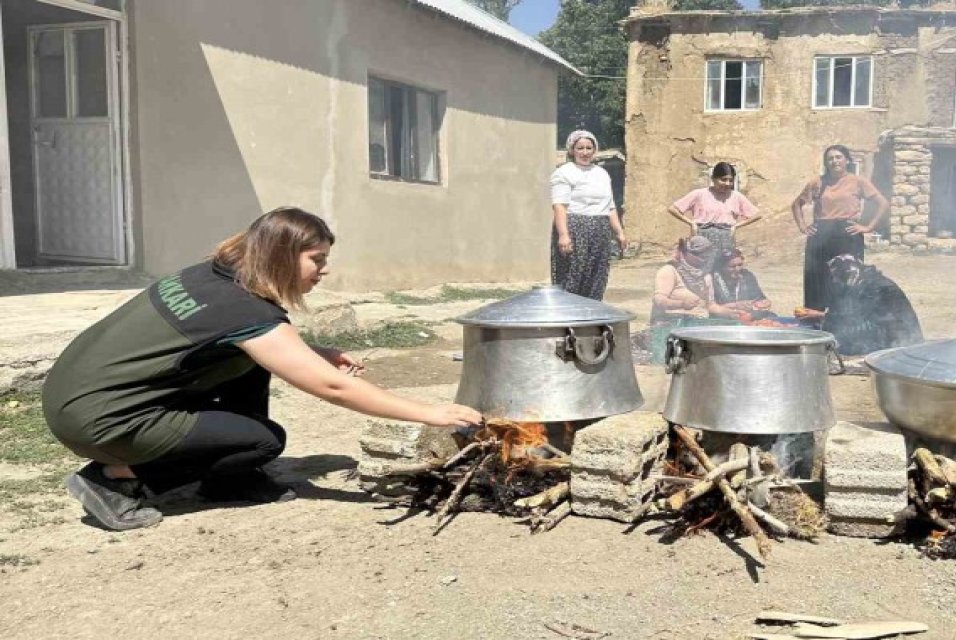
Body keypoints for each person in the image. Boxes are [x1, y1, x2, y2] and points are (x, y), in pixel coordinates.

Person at [41, 207, 483, 531]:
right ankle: (115, 478)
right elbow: (333, 388)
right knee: (263, 441)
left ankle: (228, 481)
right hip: (100, 419)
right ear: (282, 256)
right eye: (317, 260)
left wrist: (313, 350)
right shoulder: (246, 310)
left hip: (72, 394)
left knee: (248, 363)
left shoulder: (210, 276)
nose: (323, 271)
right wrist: (433, 413)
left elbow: (237, 339)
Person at [791, 145, 890, 312]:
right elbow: (796, 205)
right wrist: (802, 226)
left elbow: (883, 203)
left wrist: (868, 227)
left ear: (847, 160)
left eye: (838, 157)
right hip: (820, 235)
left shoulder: (858, 181)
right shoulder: (817, 182)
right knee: (817, 279)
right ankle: (815, 322)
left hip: (847, 234)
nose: (834, 161)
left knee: (849, 278)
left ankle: (847, 321)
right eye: (830, 158)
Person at [551, 130, 627, 300]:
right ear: (572, 150)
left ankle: (592, 316)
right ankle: (568, 318)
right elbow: (559, 206)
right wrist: (564, 235)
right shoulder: (564, 172)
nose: (585, 152)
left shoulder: (601, 174)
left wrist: (619, 232)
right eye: (580, 148)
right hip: (575, 227)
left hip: (600, 229)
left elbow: (610, 206)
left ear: (594, 150)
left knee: (597, 275)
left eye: (588, 148)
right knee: (573, 276)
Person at [821, 254, 923, 356]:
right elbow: (853, 316)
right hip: (880, 335)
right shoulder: (862, 282)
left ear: (850, 273)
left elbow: (870, 325)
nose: (835, 280)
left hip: (900, 343)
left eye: (837, 276)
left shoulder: (880, 288)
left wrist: (837, 335)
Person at [667, 162, 761, 258]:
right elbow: (673, 209)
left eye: (731, 180)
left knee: (725, 269)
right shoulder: (699, 194)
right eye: (723, 180)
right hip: (702, 237)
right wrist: (691, 223)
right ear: (713, 178)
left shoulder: (736, 196)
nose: (727, 183)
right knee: (701, 269)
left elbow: (756, 215)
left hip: (726, 238)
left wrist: (735, 227)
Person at [650, 236, 723, 325]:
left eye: (706, 255)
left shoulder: (705, 276)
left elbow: (710, 306)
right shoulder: (669, 270)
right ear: (686, 254)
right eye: (700, 255)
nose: (704, 259)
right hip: (671, 324)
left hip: (700, 324)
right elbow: (659, 300)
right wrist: (681, 304)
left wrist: (733, 312)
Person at [710, 249, 773, 321]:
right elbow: (710, 308)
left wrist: (764, 303)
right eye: (732, 266)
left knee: (772, 317)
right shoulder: (712, 280)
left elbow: (759, 298)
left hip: (747, 316)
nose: (737, 269)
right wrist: (735, 305)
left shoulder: (747, 275)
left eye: (740, 265)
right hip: (722, 318)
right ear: (722, 267)